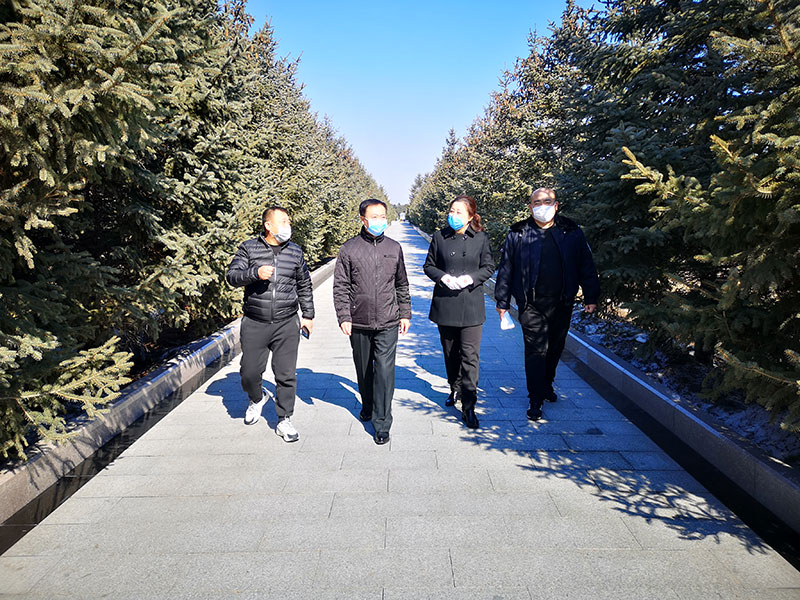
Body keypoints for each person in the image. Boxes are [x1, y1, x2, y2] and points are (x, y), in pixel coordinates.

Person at [495, 188, 599, 421]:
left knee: (555, 348)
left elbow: (585, 264)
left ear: (556, 205)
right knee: (535, 350)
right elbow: (507, 267)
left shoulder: (571, 231)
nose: (542, 206)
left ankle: (547, 384)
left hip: (562, 302)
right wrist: (502, 301)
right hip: (530, 304)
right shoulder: (518, 233)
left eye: (547, 201)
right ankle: (535, 398)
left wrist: (591, 296)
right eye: (537, 202)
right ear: (530, 207)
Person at [226, 205, 314, 442]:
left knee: (286, 374)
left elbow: (304, 284)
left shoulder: (295, 251)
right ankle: (257, 398)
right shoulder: (249, 248)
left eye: (288, 221)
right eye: (283, 221)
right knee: (249, 372)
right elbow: (232, 276)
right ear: (268, 225)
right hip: (255, 322)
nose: (288, 225)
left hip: (287, 322)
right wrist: (255, 273)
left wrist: (308, 315)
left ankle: (284, 419)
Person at [333, 199, 411, 445]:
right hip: (359, 321)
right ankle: (367, 404)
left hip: (388, 320)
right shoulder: (349, 249)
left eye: (382, 216)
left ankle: (382, 423)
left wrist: (405, 313)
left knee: (385, 372)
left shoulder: (394, 248)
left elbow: (401, 284)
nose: (380, 221)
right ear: (363, 220)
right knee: (364, 369)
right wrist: (344, 316)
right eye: (374, 217)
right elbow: (341, 286)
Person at [423, 195, 495, 429]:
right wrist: (443, 277)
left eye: (459, 212)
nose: (453, 216)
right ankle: (454, 388)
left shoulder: (481, 238)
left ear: (471, 216)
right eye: (451, 211)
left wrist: (470, 279)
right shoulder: (440, 237)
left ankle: (469, 405)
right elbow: (429, 265)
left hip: (471, 305)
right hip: (446, 303)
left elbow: (489, 267)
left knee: (470, 356)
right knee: (450, 352)